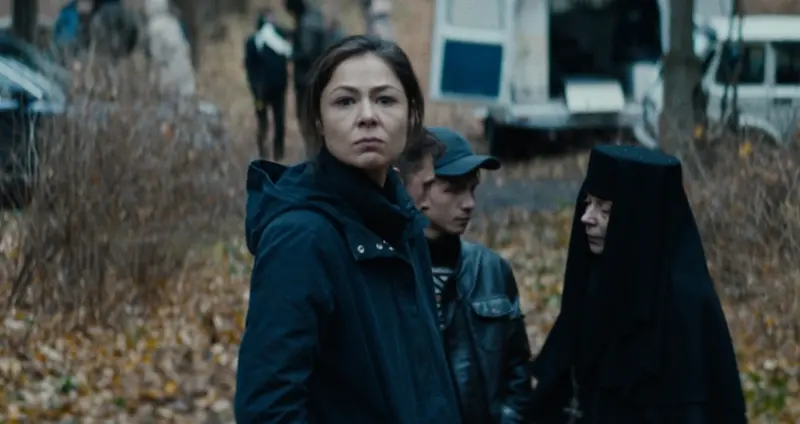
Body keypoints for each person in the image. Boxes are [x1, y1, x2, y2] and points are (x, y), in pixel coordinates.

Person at [234, 35, 462, 424]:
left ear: (411, 115)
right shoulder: (301, 237)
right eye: (345, 101)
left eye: (385, 99)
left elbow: (425, 380)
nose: (367, 116)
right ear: (318, 120)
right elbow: (267, 409)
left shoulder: (403, 221)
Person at [530, 145, 747, 423]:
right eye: (588, 203)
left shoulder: (687, 305)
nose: (587, 218)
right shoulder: (595, 282)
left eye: (604, 210)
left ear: (637, 220)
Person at [398, 127, 534, 424]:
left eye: (472, 189)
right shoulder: (387, 272)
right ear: (416, 187)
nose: (469, 203)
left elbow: (517, 371)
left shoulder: (491, 270)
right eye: (453, 189)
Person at [244, 9, 292, 160]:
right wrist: (254, 87)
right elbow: (250, 67)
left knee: (279, 122)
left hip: (278, 89)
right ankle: (263, 153)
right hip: (260, 90)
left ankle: (279, 155)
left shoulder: (279, 41)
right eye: (268, 19)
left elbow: (289, 45)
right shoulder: (253, 42)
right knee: (262, 122)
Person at [285, 0, 327, 144]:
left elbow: (305, 52)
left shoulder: (306, 25)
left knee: (306, 118)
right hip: (318, 76)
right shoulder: (315, 17)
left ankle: (314, 150)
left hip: (306, 79)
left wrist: (289, 54)